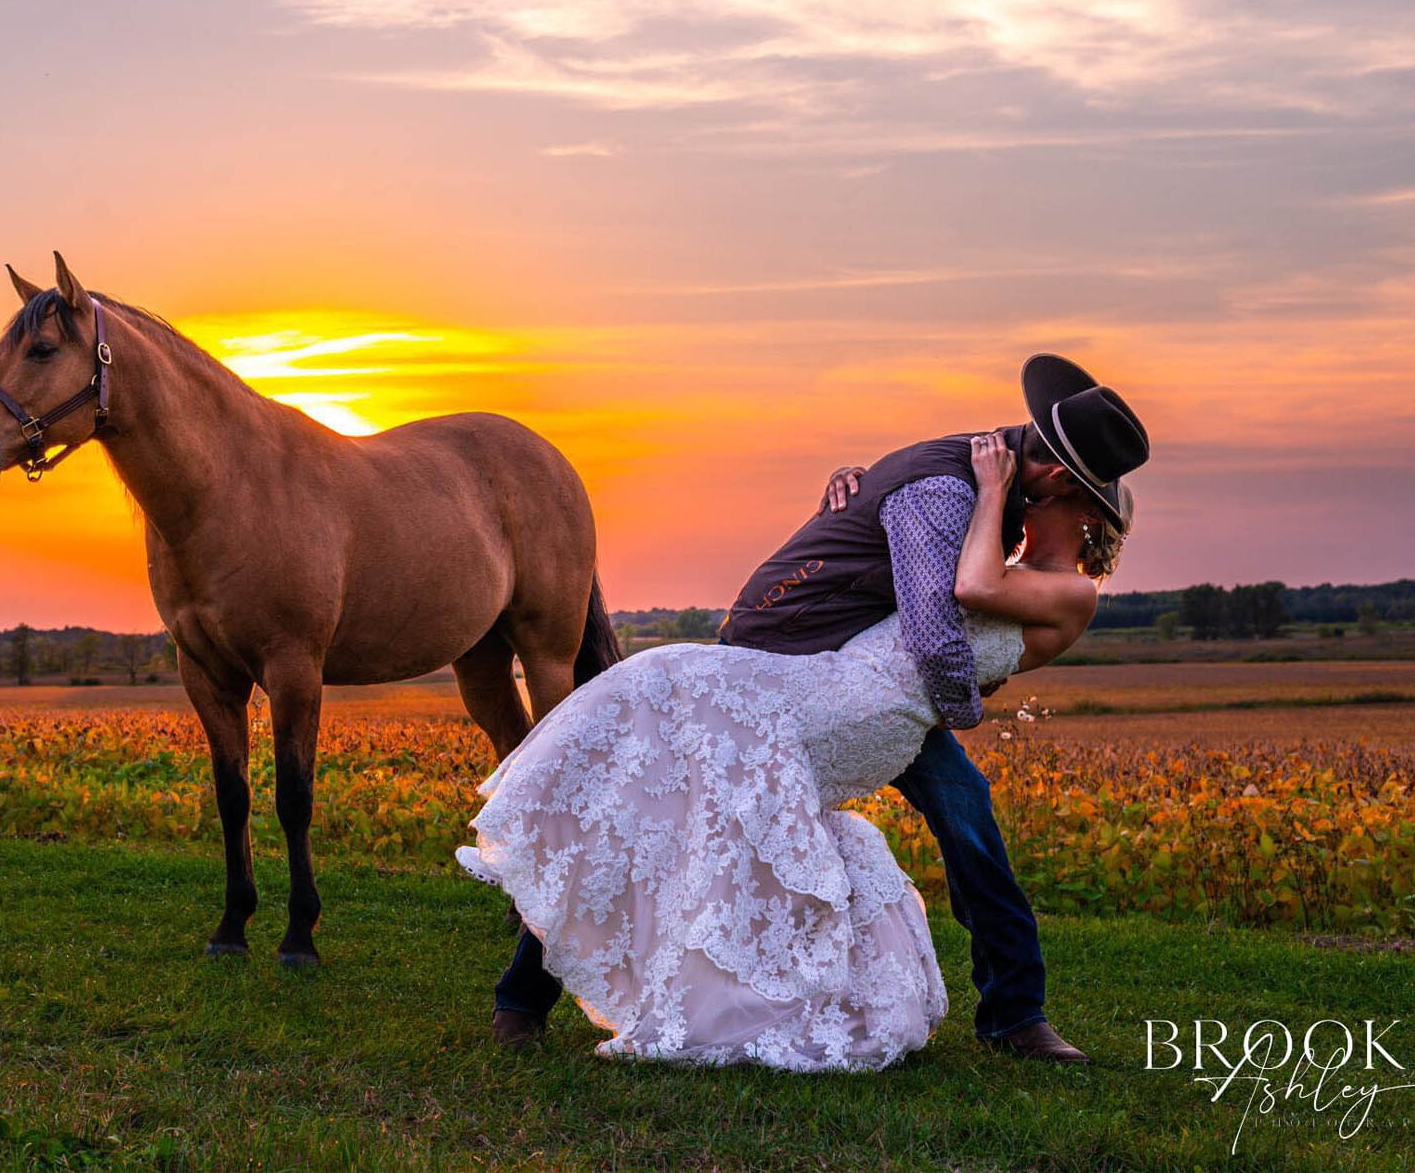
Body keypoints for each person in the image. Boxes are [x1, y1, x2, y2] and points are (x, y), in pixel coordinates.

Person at [466, 353, 1149, 1067]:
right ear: (1059, 478)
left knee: (965, 816)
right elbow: (934, 625)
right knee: (651, 807)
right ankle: (523, 997)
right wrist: (961, 703)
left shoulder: (994, 496)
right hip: (789, 667)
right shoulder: (952, 492)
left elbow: (961, 607)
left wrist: (867, 493)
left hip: (860, 687)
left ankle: (1016, 1013)